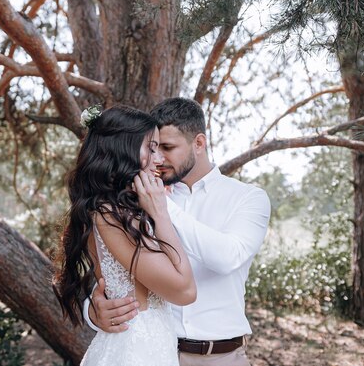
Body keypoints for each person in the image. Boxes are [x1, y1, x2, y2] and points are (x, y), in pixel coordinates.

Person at [84, 98, 271, 366]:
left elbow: (228, 257)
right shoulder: (131, 201)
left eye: (168, 148)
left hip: (219, 356)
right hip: (151, 350)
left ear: (199, 143)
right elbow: (117, 269)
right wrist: (93, 310)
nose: (159, 159)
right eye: (154, 147)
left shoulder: (247, 198)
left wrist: (164, 207)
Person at [53, 105, 197, 366]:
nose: (158, 159)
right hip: (136, 349)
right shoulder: (112, 215)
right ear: (123, 149)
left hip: (151, 343)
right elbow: (185, 291)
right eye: (151, 148)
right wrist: (161, 215)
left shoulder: (114, 209)